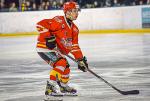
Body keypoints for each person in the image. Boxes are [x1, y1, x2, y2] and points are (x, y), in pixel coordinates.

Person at [36, 1, 88, 96]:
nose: (77, 13)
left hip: (55, 50)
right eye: (74, 11)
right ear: (67, 12)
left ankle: (63, 87)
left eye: (77, 11)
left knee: (66, 68)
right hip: (44, 48)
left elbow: (74, 46)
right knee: (61, 63)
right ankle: (50, 88)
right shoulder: (58, 21)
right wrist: (48, 38)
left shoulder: (75, 29)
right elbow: (40, 24)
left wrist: (80, 59)